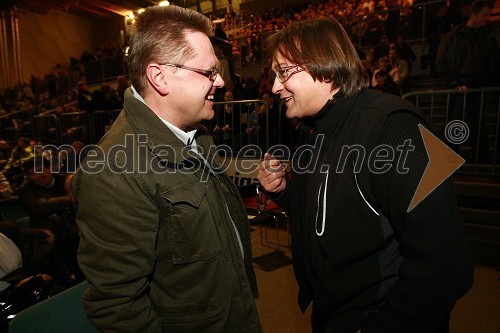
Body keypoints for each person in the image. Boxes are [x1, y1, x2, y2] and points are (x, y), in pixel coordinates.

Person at [258, 17, 473, 333]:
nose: (275, 86)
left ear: (328, 69)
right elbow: (332, 214)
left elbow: (446, 264)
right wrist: (281, 191)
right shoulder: (315, 132)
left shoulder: (396, 126)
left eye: (284, 72)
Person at [71, 6, 261, 333]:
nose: (220, 82)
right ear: (159, 77)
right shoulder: (114, 169)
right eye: (209, 72)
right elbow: (118, 307)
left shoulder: (198, 135)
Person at [436, 0, 498, 163]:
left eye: (489, 15)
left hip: (478, 87)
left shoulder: (489, 36)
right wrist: (454, 84)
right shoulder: (453, 36)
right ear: (473, 15)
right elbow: (441, 62)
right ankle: (449, 161)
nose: (488, 18)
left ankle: (481, 162)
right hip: (457, 87)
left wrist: (474, 83)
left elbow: (493, 64)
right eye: (485, 14)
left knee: (478, 126)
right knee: (455, 125)